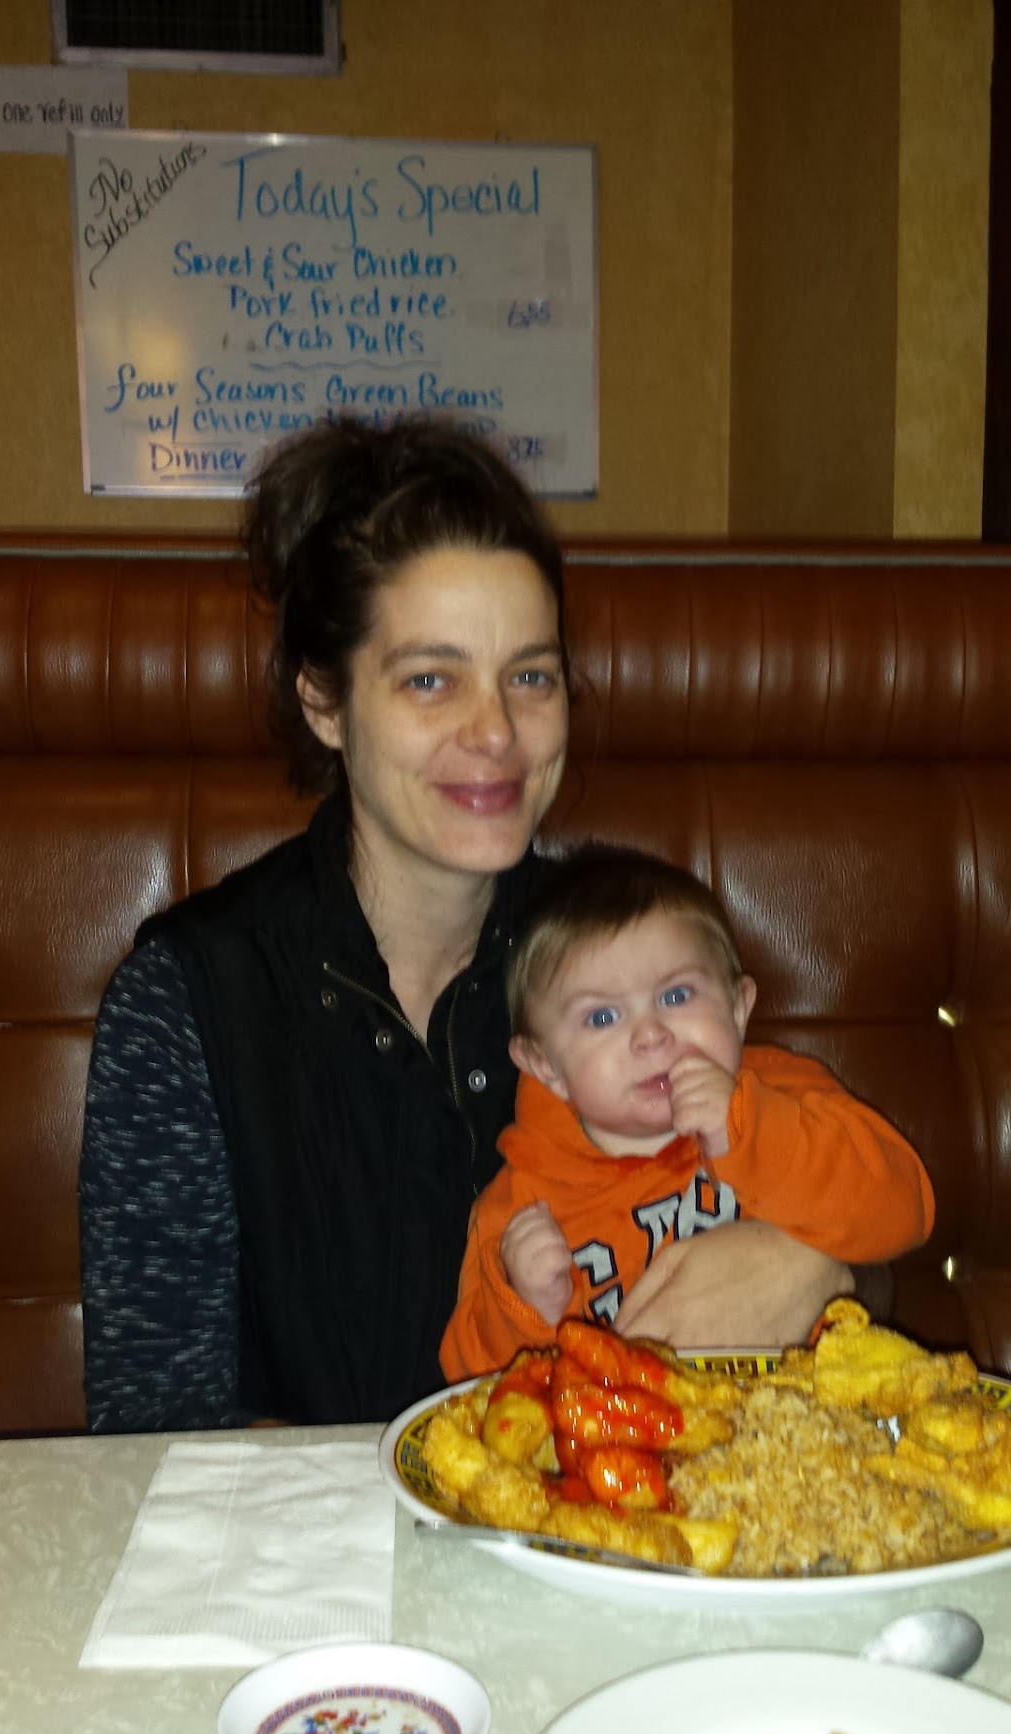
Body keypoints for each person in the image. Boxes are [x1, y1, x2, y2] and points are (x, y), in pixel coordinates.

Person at [80, 416, 854, 1434]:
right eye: (430, 679)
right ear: (323, 701)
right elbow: (152, 1423)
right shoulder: (188, 1000)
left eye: (529, 675)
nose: (495, 732)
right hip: (322, 1538)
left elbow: (830, 1205)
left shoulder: (627, 960)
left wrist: (822, 1268)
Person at [440, 846, 934, 1381]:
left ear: (738, 1008)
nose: (651, 1035)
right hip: (623, 1431)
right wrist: (523, 1309)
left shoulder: (783, 1097)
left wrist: (751, 1131)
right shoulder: (520, 1202)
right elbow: (468, 1383)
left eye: (677, 996)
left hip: (808, 1416)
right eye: (602, 1017)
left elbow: (907, 1209)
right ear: (545, 1066)